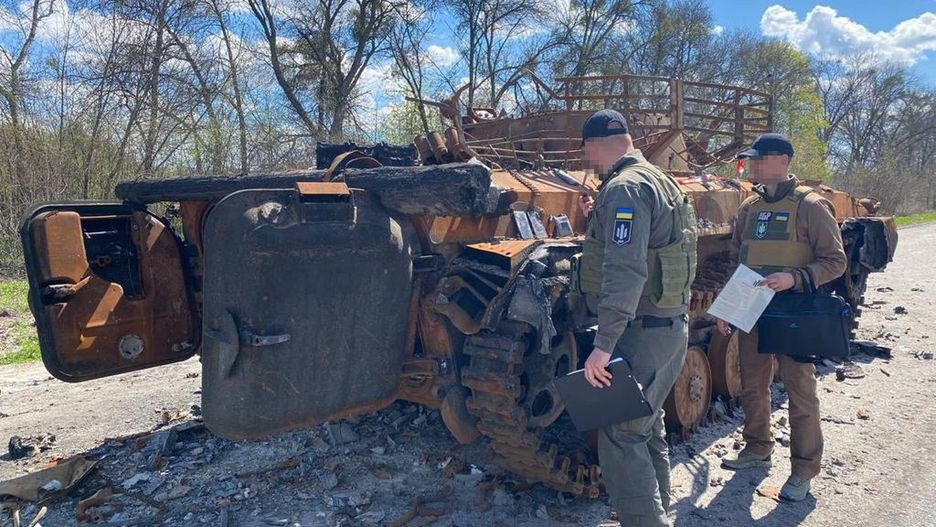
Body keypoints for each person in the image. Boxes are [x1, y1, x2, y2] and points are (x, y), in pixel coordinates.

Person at [577, 109, 697, 527]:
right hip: (671, 327)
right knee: (647, 427)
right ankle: (657, 510)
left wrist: (603, 345)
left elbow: (626, 270)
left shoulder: (625, 188)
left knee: (621, 434)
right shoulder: (658, 180)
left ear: (593, 145)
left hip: (640, 332)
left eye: (587, 151)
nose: (589, 161)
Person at [717, 133, 846, 502]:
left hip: (795, 312)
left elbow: (836, 261)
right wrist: (727, 308)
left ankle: (804, 469)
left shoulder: (811, 205)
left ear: (784, 160)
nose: (754, 164)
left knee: (799, 390)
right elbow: (735, 261)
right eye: (751, 158)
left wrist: (795, 277)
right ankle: (757, 448)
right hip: (752, 309)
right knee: (752, 384)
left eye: (762, 157)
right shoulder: (749, 207)